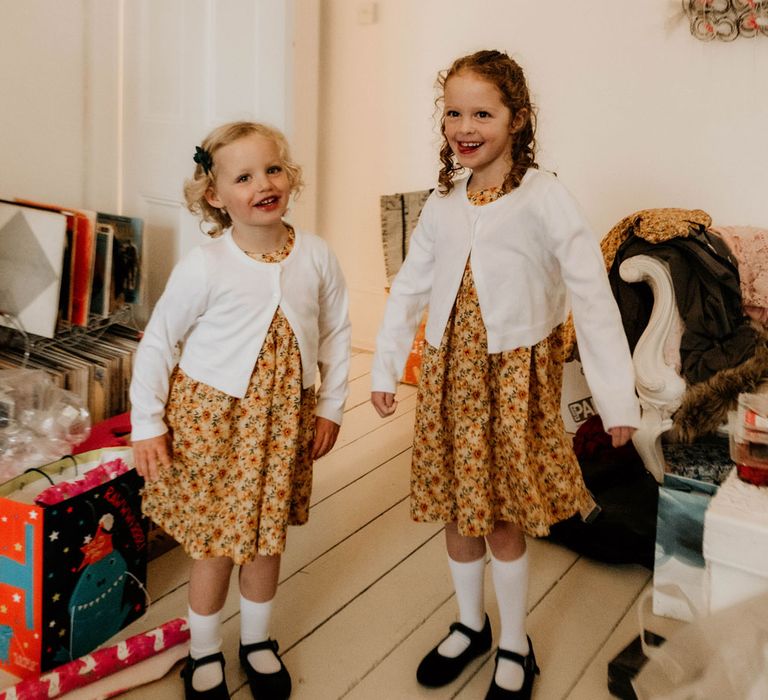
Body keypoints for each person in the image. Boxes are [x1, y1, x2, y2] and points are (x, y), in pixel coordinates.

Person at [370, 50, 640, 700]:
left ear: (517, 118)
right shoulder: (444, 201)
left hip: (515, 383)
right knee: (457, 508)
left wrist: (616, 399)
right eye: (454, 113)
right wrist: (385, 363)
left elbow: (591, 296)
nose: (465, 126)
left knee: (501, 515)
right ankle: (470, 624)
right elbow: (411, 284)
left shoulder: (544, 197)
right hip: (447, 380)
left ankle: (515, 643)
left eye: (482, 113)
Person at [130, 121, 351, 700]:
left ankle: (256, 641)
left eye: (273, 169)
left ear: (290, 176)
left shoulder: (316, 256)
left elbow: (336, 333)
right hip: (213, 424)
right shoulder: (206, 264)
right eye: (244, 176)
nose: (263, 184)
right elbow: (158, 341)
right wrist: (147, 423)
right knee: (214, 545)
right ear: (215, 195)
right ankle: (204, 649)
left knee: (265, 537)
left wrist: (330, 404)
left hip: (283, 424)